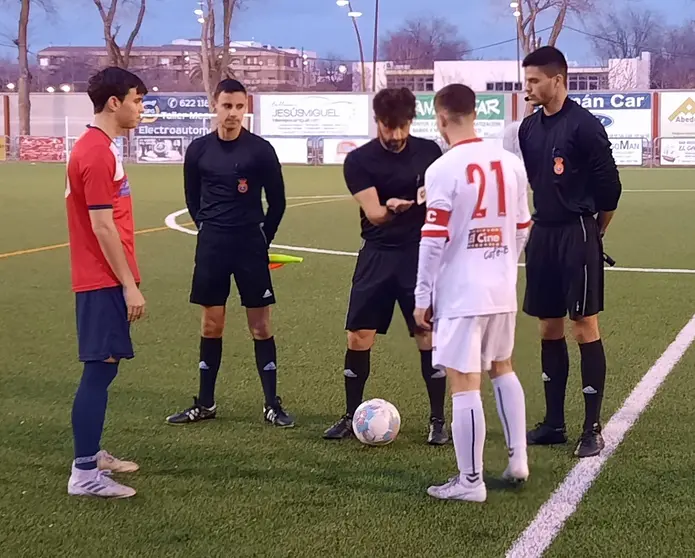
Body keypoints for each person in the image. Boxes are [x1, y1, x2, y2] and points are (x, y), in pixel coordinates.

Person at [413, 83, 532, 502]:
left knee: (464, 383)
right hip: (501, 285)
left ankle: (470, 481)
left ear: (441, 117)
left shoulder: (443, 167)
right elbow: (522, 229)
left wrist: (421, 297)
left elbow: (432, 239)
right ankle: (518, 458)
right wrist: (502, 266)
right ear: (475, 113)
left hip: (462, 291)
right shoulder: (510, 163)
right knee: (503, 365)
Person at [323, 87, 448, 445]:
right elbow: (375, 214)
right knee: (359, 335)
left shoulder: (429, 152)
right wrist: (392, 207)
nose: (395, 135)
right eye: (388, 127)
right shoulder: (359, 161)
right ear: (377, 121)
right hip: (376, 253)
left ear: (412, 121)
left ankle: (437, 421)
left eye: (402, 126)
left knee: (427, 334)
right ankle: (351, 416)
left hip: (419, 255)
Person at [165, 78, 293, 427]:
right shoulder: (199, 150)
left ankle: (272, 404)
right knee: (211, 324)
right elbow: (192, 197)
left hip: (250, 244)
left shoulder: (260, 150)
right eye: (227, 106)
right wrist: (206, 227)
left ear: (246, 107)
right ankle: (205, 403)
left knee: (261, 326)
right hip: (212, 246)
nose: (233, 113)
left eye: (239, 106)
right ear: (215, 104)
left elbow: (278, 202)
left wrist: (262, 239)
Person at [518, 46, 622, 458]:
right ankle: (554, 423)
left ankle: (591, 427)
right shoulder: (528, 129)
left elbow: (610, 189)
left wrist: (594, 231)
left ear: (557, 80)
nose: (528, 87)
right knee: (548, 327)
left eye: (534, 81)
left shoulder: (584, 126)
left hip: (578, 232)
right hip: (542, 233)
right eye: (526, 81)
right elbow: (534, 180)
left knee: (584, 325)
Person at [65, 67, 148, 499]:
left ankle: (91, 453)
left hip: (100, 277)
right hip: (101, 279)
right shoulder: (97, 152)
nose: (140, 108)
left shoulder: (99, 147)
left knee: (104, 369)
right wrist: (128, 284)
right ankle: (83, 474)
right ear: (114, 102)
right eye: (136, 99)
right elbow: (102, 226)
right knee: (98, 372)